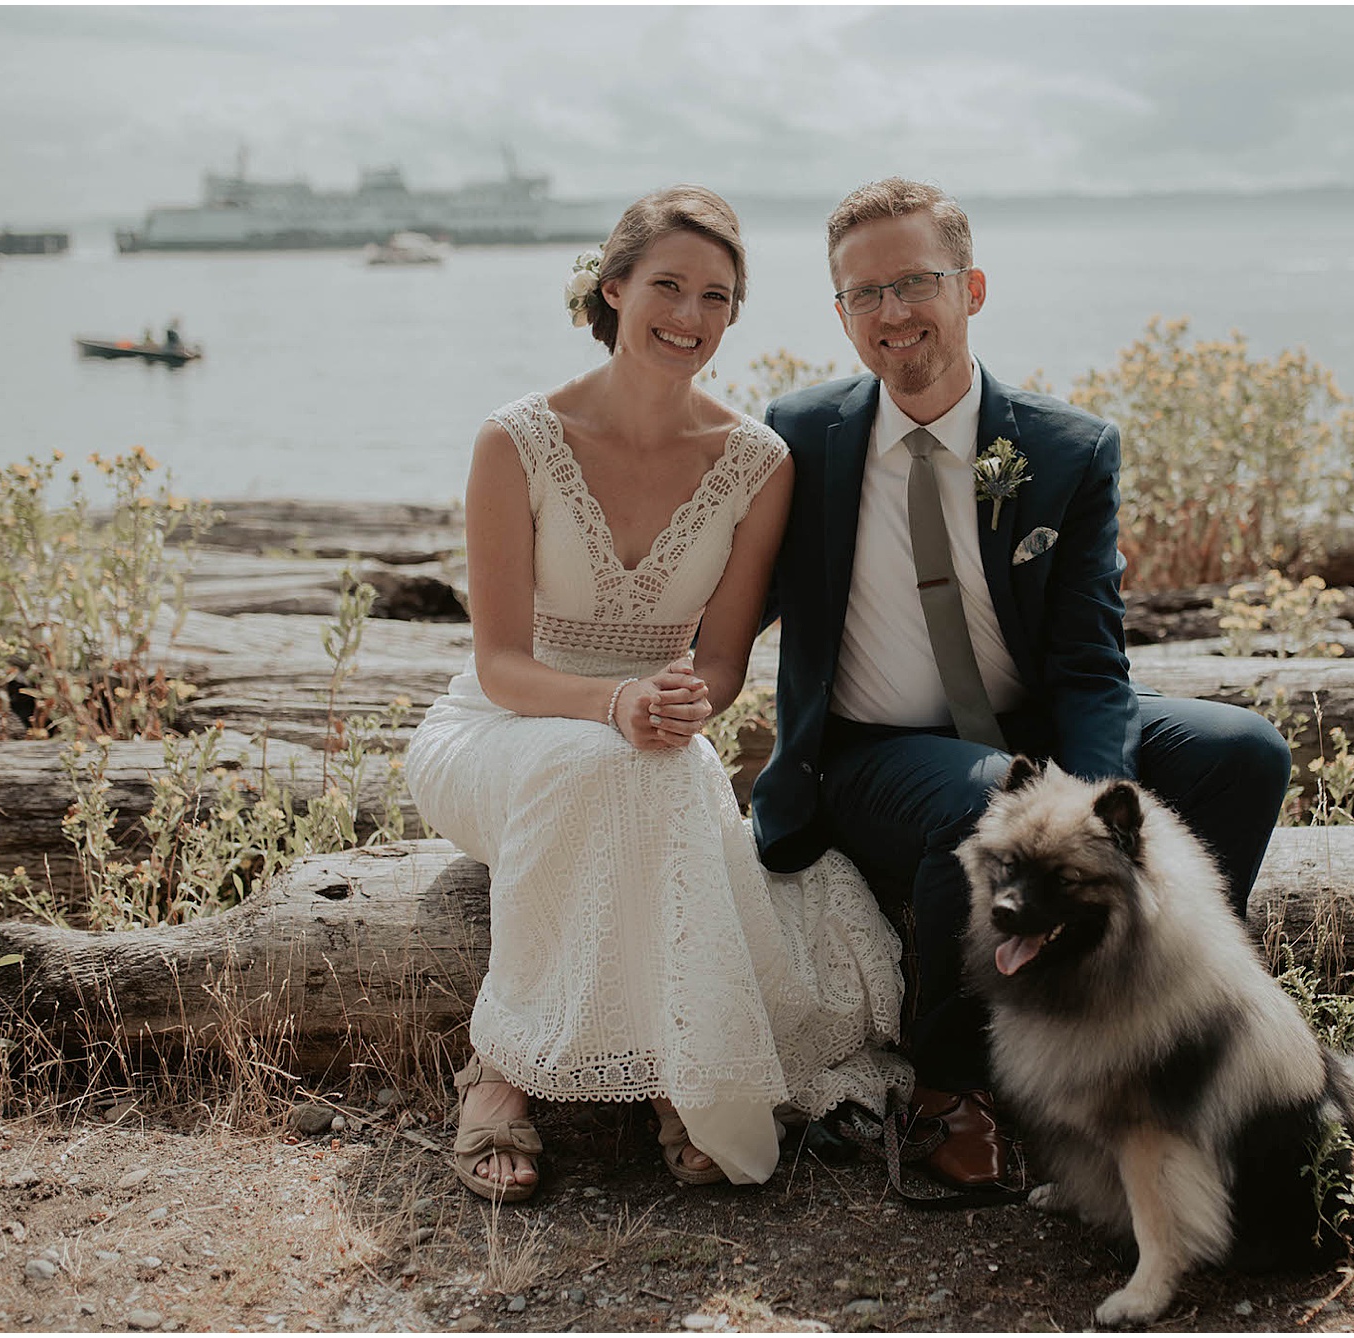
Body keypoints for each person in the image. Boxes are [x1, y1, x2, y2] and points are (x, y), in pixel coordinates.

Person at [752, 178, 1292, 1187]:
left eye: (914, 282)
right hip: (872, 754)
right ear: (838, 312)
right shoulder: (799, 432)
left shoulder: (1063, 449)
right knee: (989, 794)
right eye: (861, 294)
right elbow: (724, 585)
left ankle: (1129, 1012)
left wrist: (1094, 811)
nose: (891, 313)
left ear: (973, 287)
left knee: (1242, 753)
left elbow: (1092, 663)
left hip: (1027, 736)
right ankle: (949, 1088)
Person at [405, 185, 911, 1202]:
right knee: (603, 761)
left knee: (653, 767)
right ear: (612, 287)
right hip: (500, 728)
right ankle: (501, 1071)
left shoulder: (755, 464)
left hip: (648, 733)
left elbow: (720, 661)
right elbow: (499, 660)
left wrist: (684, 705)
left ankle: (685, 1070)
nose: (688, 317)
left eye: (716, 298)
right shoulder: (514, 441)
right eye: (667, 286)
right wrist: (611, 705)